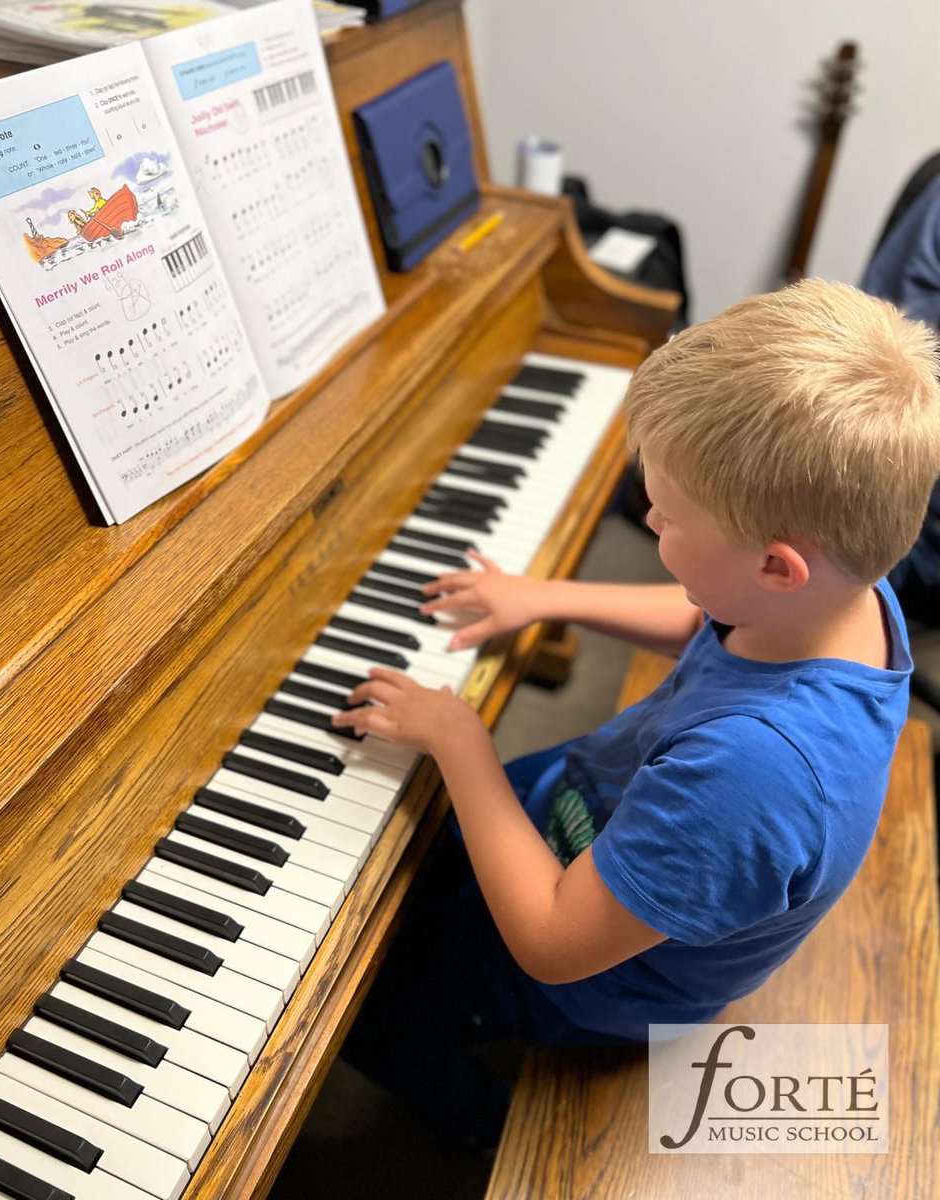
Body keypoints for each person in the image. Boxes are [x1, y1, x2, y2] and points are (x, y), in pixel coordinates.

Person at [332, 280, 940, 1146]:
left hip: (593, 979)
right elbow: (705, 611)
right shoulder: (842, 583)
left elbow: (549, 941)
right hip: (597, 811)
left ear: (778, 568)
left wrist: (460, 738)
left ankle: (460, 1120)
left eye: (666, 516)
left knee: (378, 1005)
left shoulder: (758, 776)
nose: (647, 515)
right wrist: (542, 597)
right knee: (416, 860)